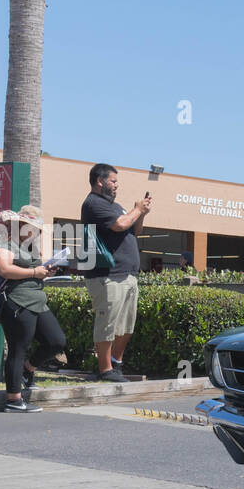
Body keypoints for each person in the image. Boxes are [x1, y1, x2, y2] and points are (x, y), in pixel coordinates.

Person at [0, 206, 66, 413]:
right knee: (18, 348)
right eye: (34, 228)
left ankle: (27, 370)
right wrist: (34, 272)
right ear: (21, 225)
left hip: (37, 300)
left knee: (56, 341)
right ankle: (13, 399)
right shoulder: (2, 242)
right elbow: (4, 269)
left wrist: (46, 271)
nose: (38, 232)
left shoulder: (29, 246)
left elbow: (33, 271)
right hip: (16, 301)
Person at [80, 163, 150, 382]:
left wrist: (141, 214)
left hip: (127, 274)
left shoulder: (116, 206)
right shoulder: (93, 203)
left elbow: (134, 230)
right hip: (107, 275)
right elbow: (120, 224)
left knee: (126, 325)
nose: (117, 185)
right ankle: (105, 370)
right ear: (99, 181)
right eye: (113, 181)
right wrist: (137, 209)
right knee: (107, 323)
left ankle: (115, 364)